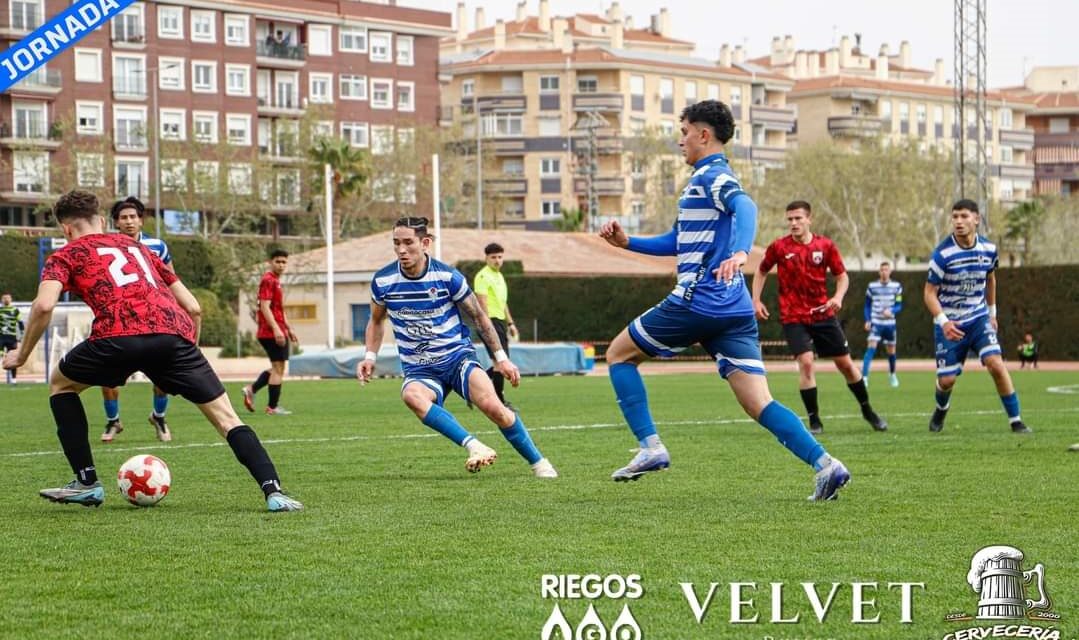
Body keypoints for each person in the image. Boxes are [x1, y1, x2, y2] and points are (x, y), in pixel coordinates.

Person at [597, 100, 849, 501]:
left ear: (703, 135)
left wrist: (740, 252)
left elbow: (745, 204)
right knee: (759, 402)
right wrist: (628, 243)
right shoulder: (703, 181)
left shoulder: (712, 177)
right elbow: (676, 241)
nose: (680, 141)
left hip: (698, 301)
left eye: (683, 133)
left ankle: (650, 447)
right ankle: (826, 465)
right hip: (733, 310)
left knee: (618, 355)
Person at [0, 190, 302, 511]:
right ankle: (274, 492)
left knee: (61, 384)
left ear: (66, 229)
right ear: (103, 221)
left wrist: (20, 355)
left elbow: (44, 304)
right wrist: (189, 355)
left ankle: (87, 482)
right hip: (173, 338)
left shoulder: (66, 255)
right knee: (227, 418)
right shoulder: (138, 247)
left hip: (117, 336)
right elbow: (194, 307)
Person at [357, 217, 557, 478]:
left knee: (495, 408)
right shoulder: (384, 281)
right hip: (419, 368)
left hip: (456, 359)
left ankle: (539, 463)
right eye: (396, 243)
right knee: (411, 396)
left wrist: (501, 359)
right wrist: (369, 356)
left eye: (408, 243)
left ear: (425, 243)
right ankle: (475, 446)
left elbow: (480, 317)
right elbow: (375, 320)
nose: (401, 250)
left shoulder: (447, 276)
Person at [752, 201, 888, 435]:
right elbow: (761, 271)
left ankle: (868, 410)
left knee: (845, 365)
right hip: (793, 316)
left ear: (809, 220)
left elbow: (842, 276)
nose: (793, 223)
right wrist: (756, 299)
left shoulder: (825, 246)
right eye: (790, 219)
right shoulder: (779, 247)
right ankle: (815, 421)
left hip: (823, 315)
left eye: (798, 218)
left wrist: (838, 297)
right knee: (806, 364)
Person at [925, 199, 1030, 434]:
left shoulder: (989, 249)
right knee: (947, 381)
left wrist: (992, 313)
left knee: (996, 363)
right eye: (955, 217)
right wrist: (944, 321)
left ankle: (1016, 420)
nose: (959, 221)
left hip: (978, 317)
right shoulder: (942, 254)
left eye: (964, 216)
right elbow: (929, 293)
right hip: (950, 323)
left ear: (976, 219)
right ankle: (941, 408)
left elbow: (990, 279)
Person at [100, 197, 175, 443]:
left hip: (155, 321)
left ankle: (159, 416)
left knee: (163, 374)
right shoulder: (106, 246)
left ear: (141, 220)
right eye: (124, 217)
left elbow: (171, 281)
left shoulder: (157, 247)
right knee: (107, 375)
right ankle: (113, 421)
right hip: (120, 322)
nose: (129, 221)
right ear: (116, 223)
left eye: (133, 217)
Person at [242, 250, 298, 415]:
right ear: (270, 262)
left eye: (284, 262)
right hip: (270, 332)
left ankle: (251, 389)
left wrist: (288, 328)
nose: (281, 265)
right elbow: (265, 307)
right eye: (278, 261)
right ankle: (272, 407)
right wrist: (276, 329)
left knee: (277, 368)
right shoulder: (268, 280)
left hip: (276, 330)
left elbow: (279, 309)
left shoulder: (276, 281)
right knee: (278, 369)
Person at [473, 242, 519, 408]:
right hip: (489, 322)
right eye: (493, 257)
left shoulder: (499, 277)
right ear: (486, 258)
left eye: (500, 257)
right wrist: (488, 327)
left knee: (501, 363)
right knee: (501, 363)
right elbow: (482, 303)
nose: (497, 260)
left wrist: (511, 323)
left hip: (499, 323)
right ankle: (500, 401)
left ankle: (472, 390)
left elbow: (503, 303)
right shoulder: (483, 276)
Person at [861, 261, 904, 387]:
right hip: (876, 322)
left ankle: (892, 374)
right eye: (882, 270)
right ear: (879, 272)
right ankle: (864, 378)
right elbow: (867, 305)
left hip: (890, 323)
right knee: (871, 348)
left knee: (891, 351)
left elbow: (899, 305)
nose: (884, 272)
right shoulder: (872, 286)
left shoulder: (896, 286)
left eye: (886, 269)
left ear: (890, 271)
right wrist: (868, 319)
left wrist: (891, 311)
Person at [1, 292, 23, 385]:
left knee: (13, 359)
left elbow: (20, 323)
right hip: (1, 338)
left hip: (12, 338)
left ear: (11, 299)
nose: (6, 299)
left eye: (8, 298)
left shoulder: (15, 310)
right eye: (4, 298)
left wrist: (21, 336)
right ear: (2, 300)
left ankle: (14, 380)